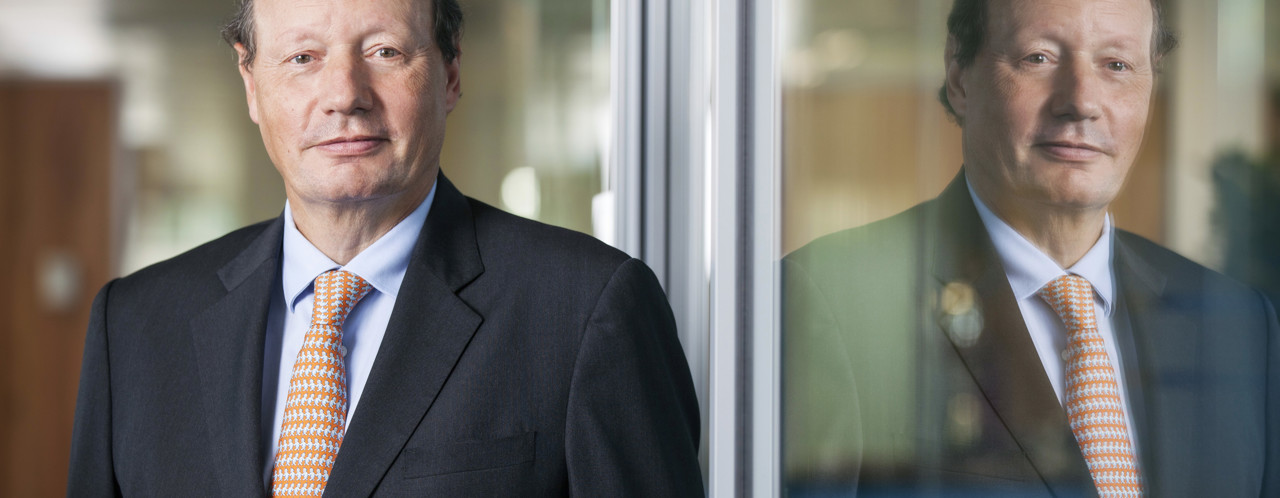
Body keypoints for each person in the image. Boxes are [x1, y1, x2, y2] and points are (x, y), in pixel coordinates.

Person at [65, 0, 703, 495]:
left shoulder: (588, 310)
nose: (344, 94)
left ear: (450, 71)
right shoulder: (136, 328)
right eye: (302, 58)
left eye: (385, 51)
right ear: (251, 83)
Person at [783, 0, 1280, 496]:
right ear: (959, 77)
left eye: (1117, 65)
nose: (1082, 101)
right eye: (1038, 58)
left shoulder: (1239, 324)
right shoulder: (830, 301)